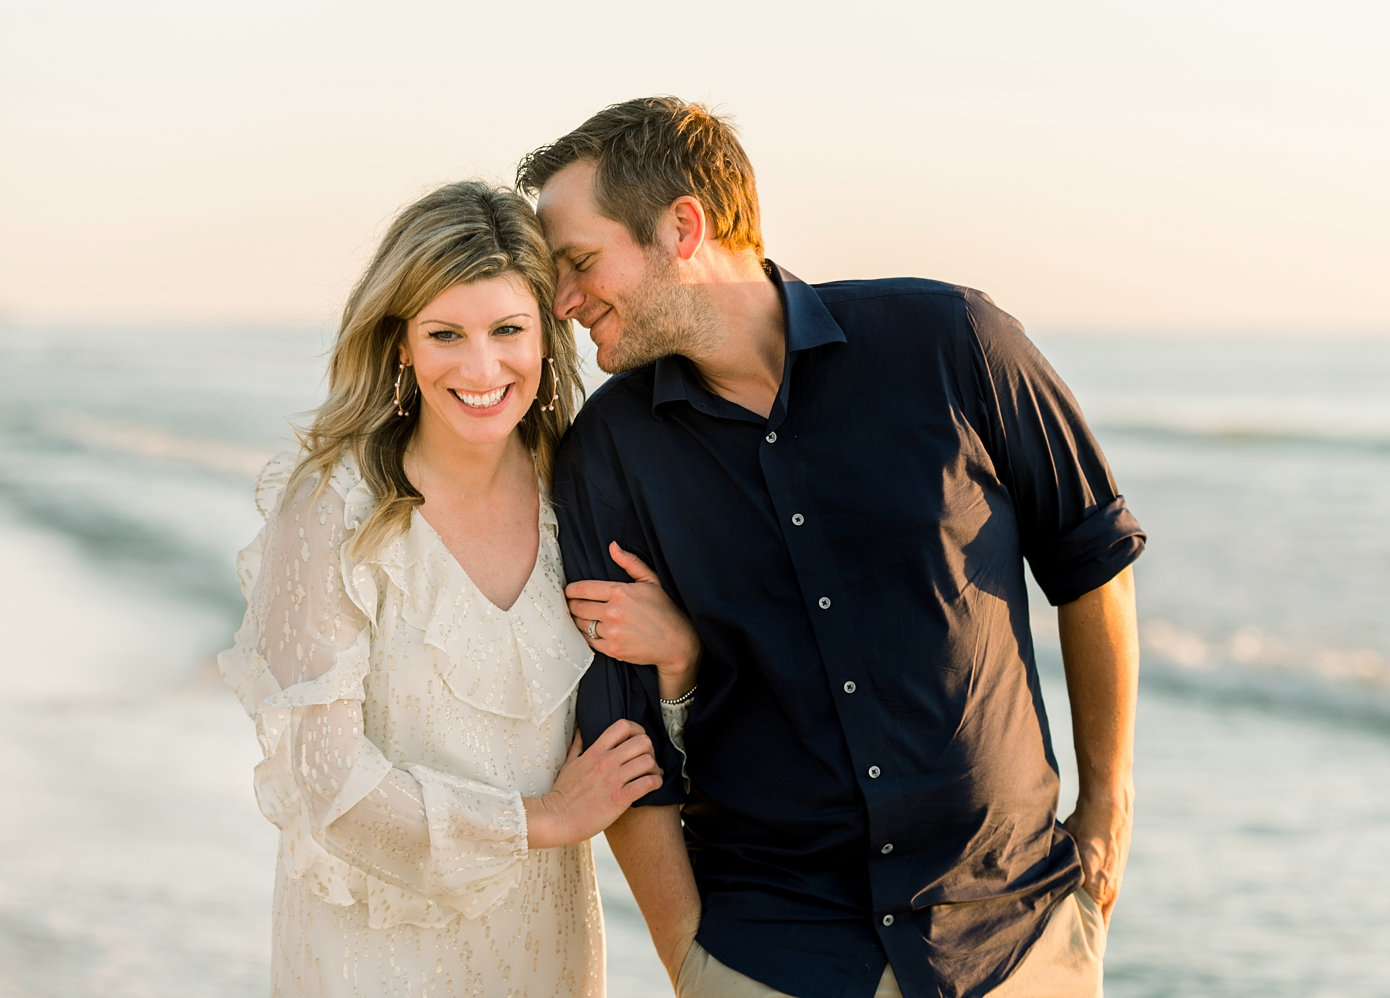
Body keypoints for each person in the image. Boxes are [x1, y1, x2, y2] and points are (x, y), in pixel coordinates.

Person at [516, 98, 1146, 998]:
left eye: (580, 262)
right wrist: (686, 953)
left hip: (1018, 939)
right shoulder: (608, 453)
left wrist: (1107, 814)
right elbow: (622, 728)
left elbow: (1092, 562)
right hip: (771, 954)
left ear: (682, 227)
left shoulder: (953, 342)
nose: (566, 302)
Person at [217, 180, 699, 996]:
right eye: (446, 334)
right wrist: (543, 820)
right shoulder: (333, 509)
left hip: (545, 949)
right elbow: (324, 779)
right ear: (401, 342)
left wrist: (681, 660)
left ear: (547, 334)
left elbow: (661, 747)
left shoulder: (581, 496)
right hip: (373, 954)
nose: (483, 368)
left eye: (509, 329)